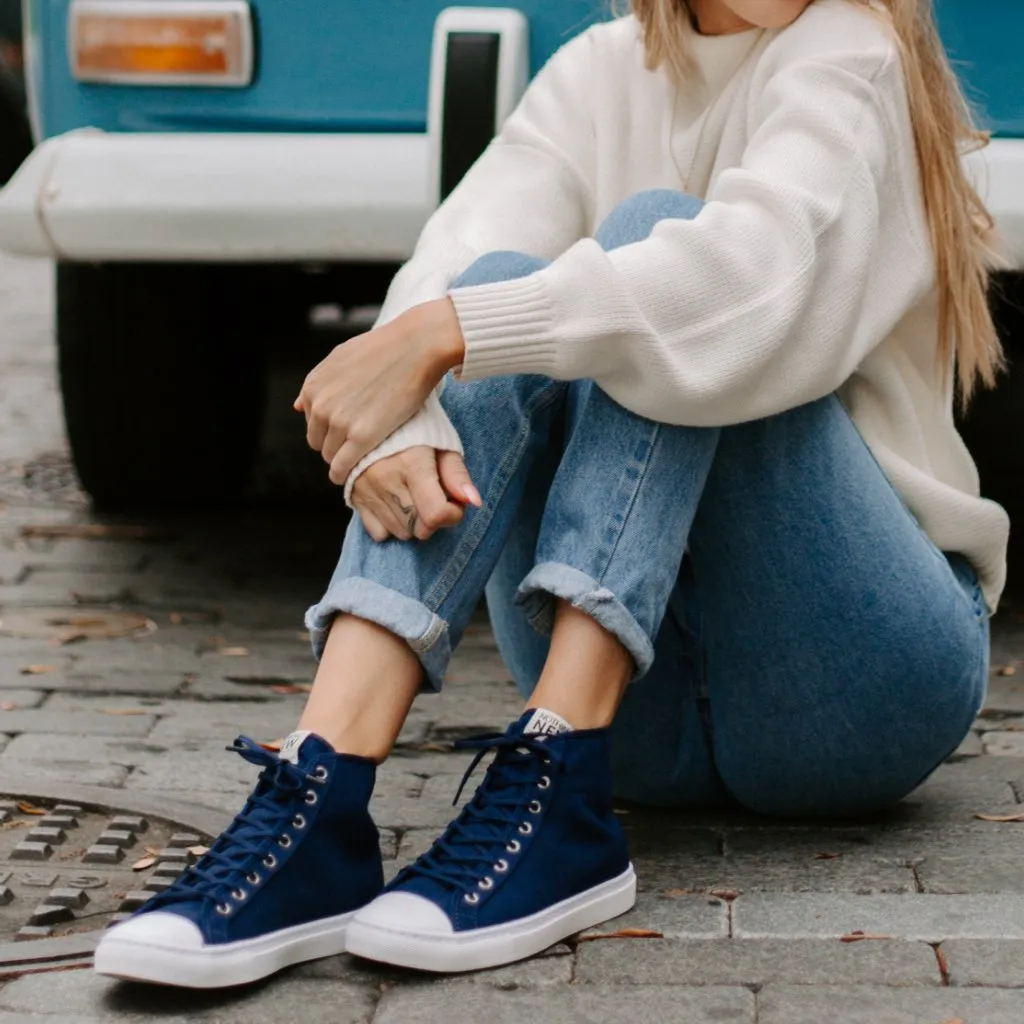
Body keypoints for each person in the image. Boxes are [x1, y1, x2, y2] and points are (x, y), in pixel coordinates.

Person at [94, 0, 1008, 988]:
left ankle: (558, 780)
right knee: (494, 278)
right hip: (645, 728)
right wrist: (401, 417)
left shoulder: (849, 50)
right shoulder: (597, 72)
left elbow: (742, 281)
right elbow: (447, 270)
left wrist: (451, 332)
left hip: (859, 682)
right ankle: (322, 790)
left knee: (648, 245)